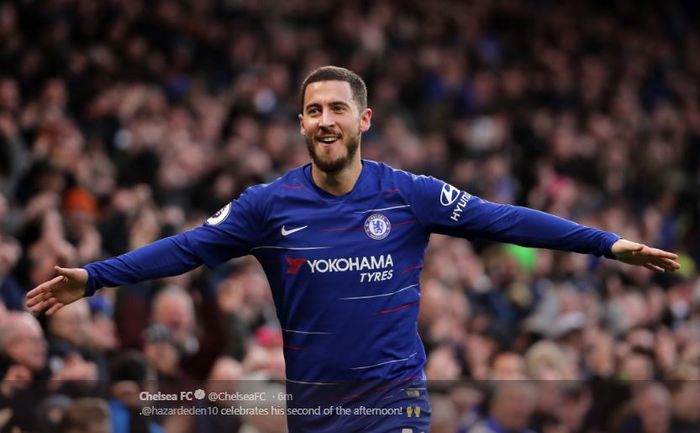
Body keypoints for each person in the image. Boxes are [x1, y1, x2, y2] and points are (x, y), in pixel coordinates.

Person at [27, 66, 680, 433]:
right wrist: (94, 276)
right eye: (313, 111)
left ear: (363, 119)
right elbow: (188, 248)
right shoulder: (267, 205)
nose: (325, 120)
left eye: (338, 108)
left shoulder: (408, 194)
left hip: (395, 404)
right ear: (302, 123)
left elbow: (502, 219)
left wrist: (606, 244)